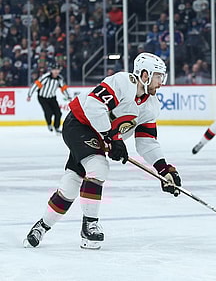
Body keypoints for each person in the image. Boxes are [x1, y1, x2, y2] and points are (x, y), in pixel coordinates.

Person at [25, 53, 182, 249]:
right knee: (99, 167)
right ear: (145, 74)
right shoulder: (123, 82)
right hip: (79, 124)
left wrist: (163, 169)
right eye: (158, 76)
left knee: (71, 185)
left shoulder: (151, 106)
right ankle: (89, 225)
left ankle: (42, 226)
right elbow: (93, 105)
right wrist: (112, 137)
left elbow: (147, 142)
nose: (161, 82)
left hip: (99, 137)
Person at [27, 63, 71, 134]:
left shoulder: (59, 79)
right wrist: (29, 95)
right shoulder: (45, 77)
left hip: (52, 97)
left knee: (58, 113)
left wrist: (68, 96)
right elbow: (36, 85)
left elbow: (64, 88)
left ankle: (56, 127)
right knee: (48, 112)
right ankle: (49, 124)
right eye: (54, 70)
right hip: (42, 97)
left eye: (57, 70)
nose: (56, 71)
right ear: (51, 70)